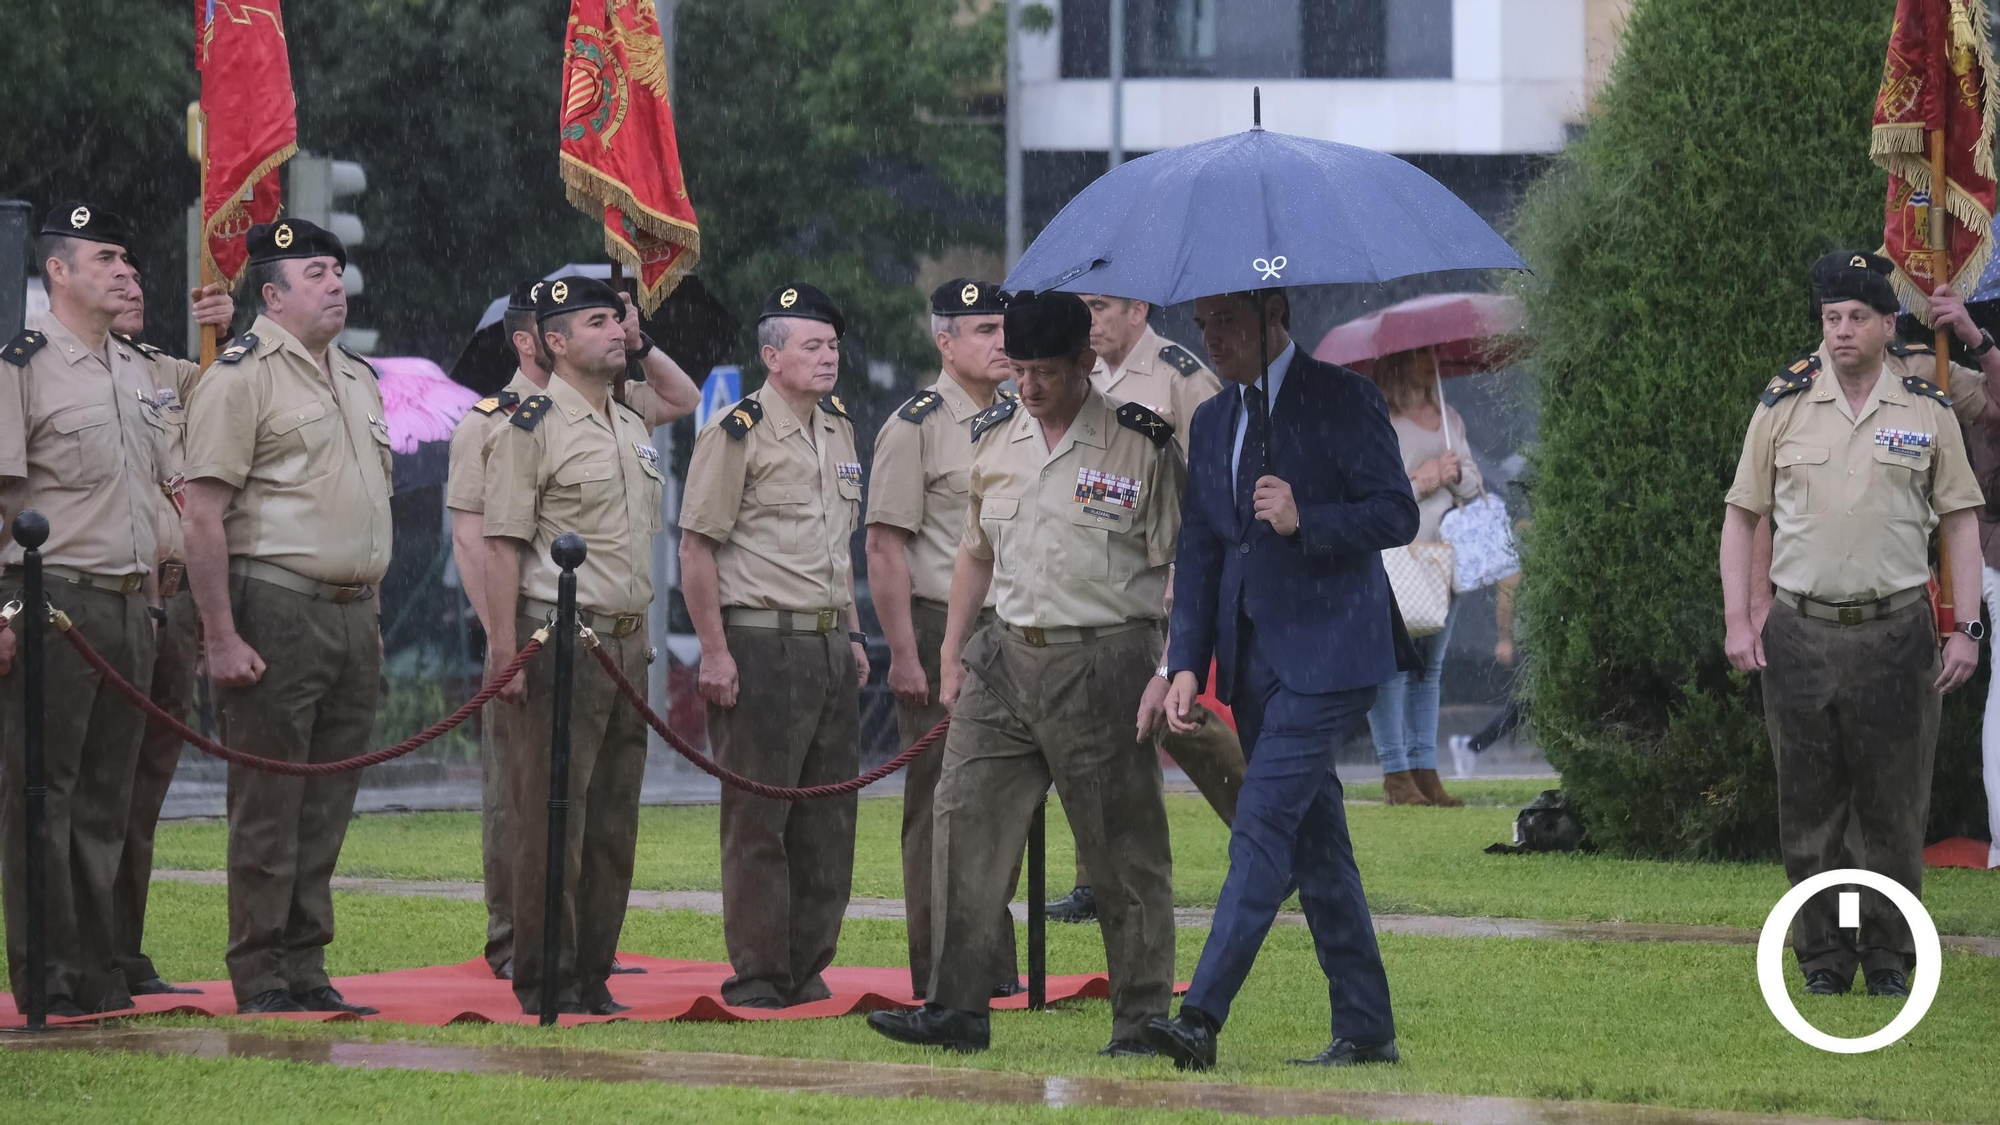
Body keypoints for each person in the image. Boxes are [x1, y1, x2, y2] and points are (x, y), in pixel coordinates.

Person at [866, 290, 1183, 1057]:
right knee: (962, 818)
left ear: (1086, 363)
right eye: (1022, 369)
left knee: (1121, 845)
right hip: (1004, 654)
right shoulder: (996, 435)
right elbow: (976, 549)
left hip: (1105, 657)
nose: (1030, 385)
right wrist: (950, 653)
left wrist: (1172, 667)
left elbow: (1185, 565)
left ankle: (1141, 1019)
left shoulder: (1142, 443)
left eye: (1046, 371)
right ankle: (956, 1004)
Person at [1143, 288, 1416, 1071]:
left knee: (1261, 823)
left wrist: (1310, 516)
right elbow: (1200, 546)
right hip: (1253, 660)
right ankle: (1366, 1028)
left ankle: (1200, 1015)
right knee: (1317, 842)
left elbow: (1397, 513)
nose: (1210, 338)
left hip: (1332, 654)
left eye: (1223, 321)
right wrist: (1186, 661)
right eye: (1200, 325)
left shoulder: (1345, 397)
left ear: (1274, 314)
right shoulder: (1216, 418)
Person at [1720, 250, 1985, 999]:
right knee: (1810, 811)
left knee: (1894, 809)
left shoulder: (1925, 407)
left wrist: (1967, 626)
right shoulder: (1783, 405)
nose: (1839, 332)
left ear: (1886, 322)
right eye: (1831, 317)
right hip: (1800, 633)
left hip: (1896, 632)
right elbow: (1743, 516)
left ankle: (1891, 953)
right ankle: (1824, 955)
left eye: (1855, 318)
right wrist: (1742, 618)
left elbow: (1961, 521)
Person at [446, 277, 699, 981]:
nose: (617, 331)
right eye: (598, 322)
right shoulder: (527, 426)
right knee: (555, 815)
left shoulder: (626, 422)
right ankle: (544, 971)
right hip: (557, 634)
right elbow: (500, 544)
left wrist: (640, 336)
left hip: (624, 639)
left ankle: (592, 969)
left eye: (616, 321)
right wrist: (504, 651)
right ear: (553, 342)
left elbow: (683, 401)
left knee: (614, 818)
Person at [180, 218, 391, 1016]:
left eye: (337, 268)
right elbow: (203, 514)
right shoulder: (240, 376)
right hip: (274, 606)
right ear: (271, 293)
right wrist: (222, 633)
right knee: (270, 805)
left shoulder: (357, 375)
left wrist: (366, 611)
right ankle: (261, 970)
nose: (335, 281)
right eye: (315, 271)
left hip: (349, 612)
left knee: (328, 803)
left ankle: (307, 962)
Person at [678, 282, 868, 1009]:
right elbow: (697, 547)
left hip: (824, 641)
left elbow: (837, 547)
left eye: (833, 346)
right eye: (812, 346)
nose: (829, 358)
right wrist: (715, 651)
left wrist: (851, 631)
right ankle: (759, 972)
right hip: (760, 641)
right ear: (772, 355)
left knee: (828, 817)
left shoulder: (839, 428)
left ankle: (806, 963)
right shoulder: (737, 428)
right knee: (761, 818)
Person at [0, 203, 166, 1016]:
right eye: (106, 256)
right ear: (57, 270)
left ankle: (99, 964)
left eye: (127, 258)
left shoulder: (135, 369)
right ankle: (50, 974)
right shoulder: (19, 365)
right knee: (43, 795)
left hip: (131, 604)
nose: (125, 270)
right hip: (53, 600)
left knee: (108, 797)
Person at [1041, 292, 1246, 925]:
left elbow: (1215, 482)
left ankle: (1267, 832)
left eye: (1102, 307)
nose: (1092, 320)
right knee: (1095, 722)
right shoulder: (1079, 373)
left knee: (1175, 715)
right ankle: (1093, 877)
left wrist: (1190, 576)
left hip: (1160, 575)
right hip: (1095, 580)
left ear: (1138, 308)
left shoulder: (1179, 375)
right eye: (1084, 309)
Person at [864, 278, 1024, 998]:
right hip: (940, 626)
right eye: (984, 329)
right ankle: (940, 967)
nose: (1001, 341)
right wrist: (904, 652)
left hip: (1014, 624)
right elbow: (883, 546)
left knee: (1005, 801)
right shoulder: (917, 424)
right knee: (940, 803)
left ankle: (989, 958)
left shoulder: (1022, 416)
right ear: (945, 340)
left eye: (1003, 329)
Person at [107, 272, 235, 998]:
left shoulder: (170, 371)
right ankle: (76, 951)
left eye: (134, 274)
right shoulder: (38, 369)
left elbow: (227, 402)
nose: (131, 284)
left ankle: (124, 947)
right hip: (101, 597)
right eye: (110, 269)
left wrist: (227, 323)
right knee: (90, 785)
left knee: (145, 787)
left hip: (173, 598)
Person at [1362, 344, 1482, 807]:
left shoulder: (1451, 419)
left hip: (1445, 561)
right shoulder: (1382, 422)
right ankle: (1396, 774)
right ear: (1398, 360)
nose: (1430, 359)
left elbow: (1473, 486)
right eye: (1420, 352)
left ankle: (1424, 769)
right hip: (1398, 559)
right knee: (1392, 669)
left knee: (1429, 671)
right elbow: (1378, 497)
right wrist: (1427, 477)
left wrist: (1454, 473)